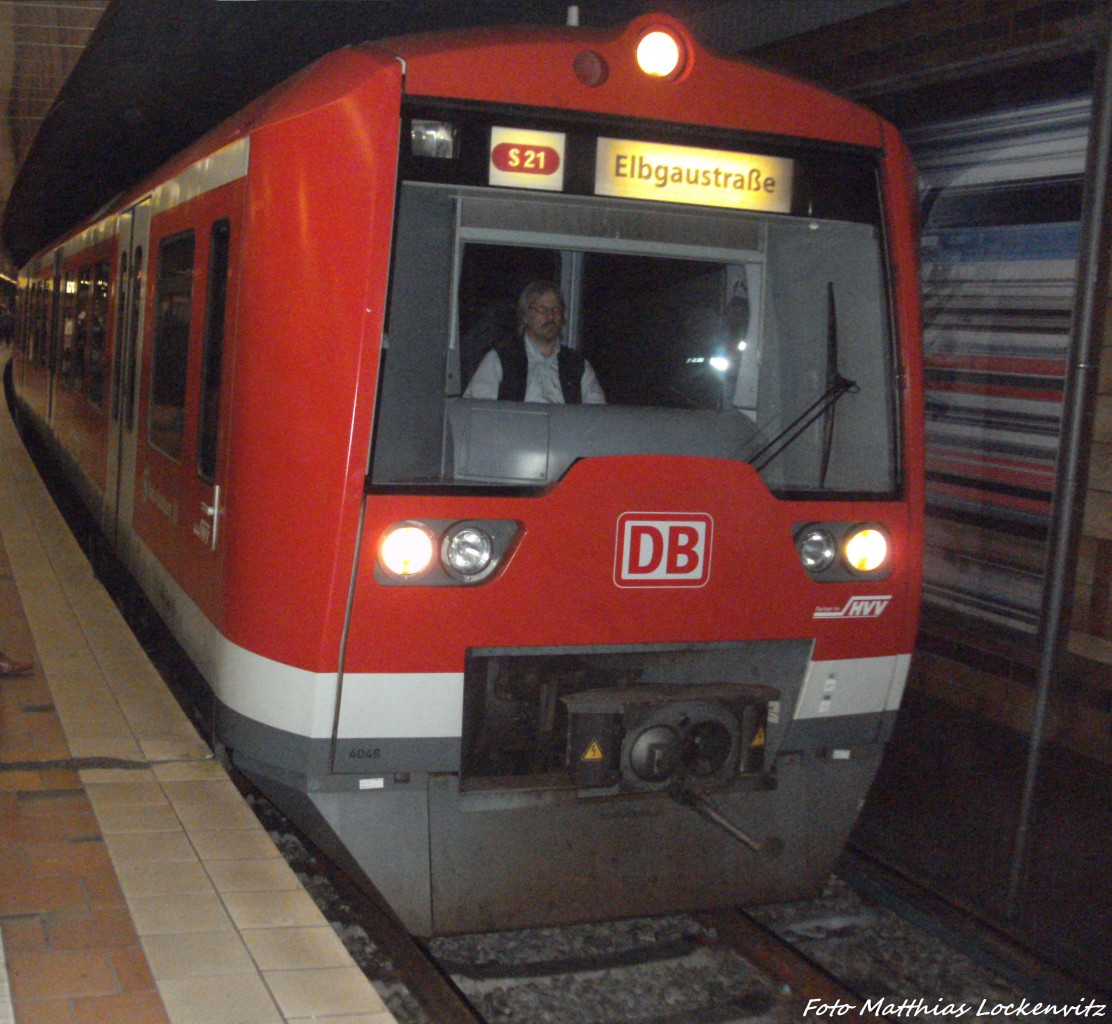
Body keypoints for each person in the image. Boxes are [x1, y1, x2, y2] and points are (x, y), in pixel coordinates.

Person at [463, 280, 605, 404]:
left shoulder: (578, 366)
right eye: (542, 309)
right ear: (526, 314)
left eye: (556, 309)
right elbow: (477, 411)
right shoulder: (501, 359)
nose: (550, 316)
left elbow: (596, 417)